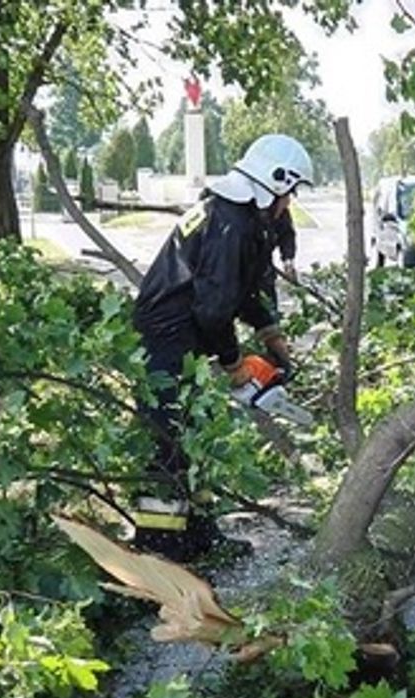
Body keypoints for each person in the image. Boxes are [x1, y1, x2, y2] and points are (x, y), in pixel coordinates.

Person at [130, 133, 312, 561]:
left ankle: (198, 536)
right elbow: (215, 309)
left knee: (196, 436)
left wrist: (272, 336)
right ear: (275, 183)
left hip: (188, 334)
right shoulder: (229, 221)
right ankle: (160, 549)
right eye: (292, 192)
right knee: (168, 440)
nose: (292, 202)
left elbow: (253, 285)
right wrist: (234, 364)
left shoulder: (245, 218)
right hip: (165, 336)